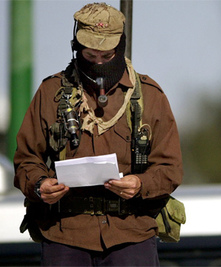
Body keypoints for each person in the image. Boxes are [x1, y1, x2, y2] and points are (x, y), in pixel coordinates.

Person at [14, 3, 183, 266]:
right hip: (64, 235)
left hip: (131, 235)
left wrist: (141, 184)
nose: (98, 64)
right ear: (76, 47)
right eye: (90, 56)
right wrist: (40, 185)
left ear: (120, 47)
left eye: (107, 56)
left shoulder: (149, 95)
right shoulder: (50, 92)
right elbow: (26, 159)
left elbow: (170, 168)